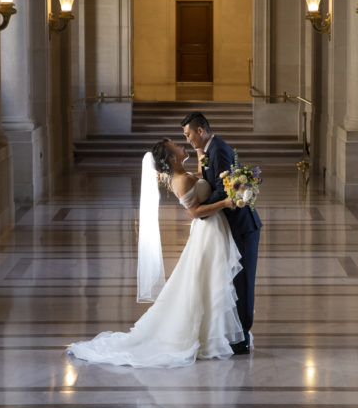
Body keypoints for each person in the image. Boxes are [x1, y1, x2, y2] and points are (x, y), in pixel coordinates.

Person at [67, 139, 244, 367]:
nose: (182, 146)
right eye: (178, 146)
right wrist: (227, 203)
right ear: (172, 157)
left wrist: (204, 159)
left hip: (213, 230)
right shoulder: (178, 180)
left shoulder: (183, 173)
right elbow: (194, 211)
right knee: (205, 281)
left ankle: (213, 333)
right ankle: (206, 336)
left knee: (207, 282)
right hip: (207, 230)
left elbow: (202, 183)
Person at [182, 111, 262, 355]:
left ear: (200, 131)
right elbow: (211, 179)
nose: (188, 140)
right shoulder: (209, 150)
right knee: (233, 281)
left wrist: (200, 211)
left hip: (242, 226)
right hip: (228, 226)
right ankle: (235, 332)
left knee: (243, 281)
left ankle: (242, 339)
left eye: (188, 135)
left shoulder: (219, 150)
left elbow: (222, 190)